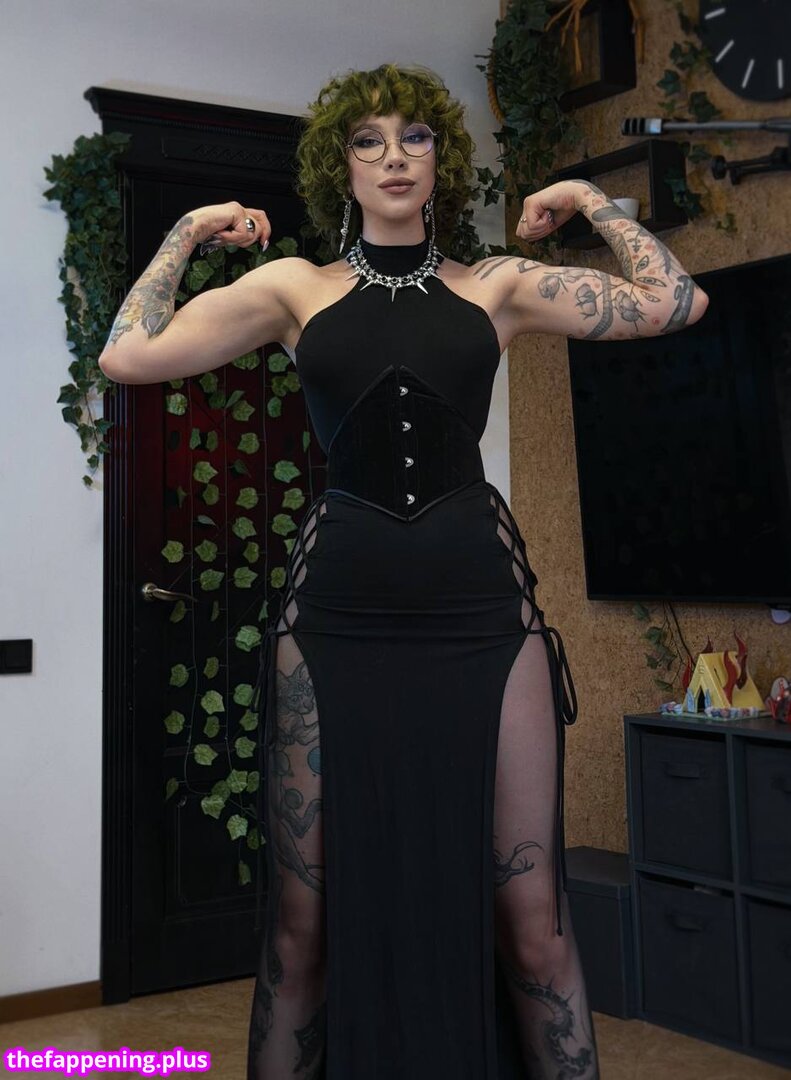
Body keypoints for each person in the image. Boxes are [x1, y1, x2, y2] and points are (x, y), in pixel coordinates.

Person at [99, 62, 708, 1080]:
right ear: (338, 164)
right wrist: (189, 233)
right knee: (302, 929)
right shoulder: (293, 290)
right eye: (367, 140)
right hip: (335, 619)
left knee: (534, 925)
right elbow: (128, 354)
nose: (392, 157)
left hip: (482, 616)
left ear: (440, 161)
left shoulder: (494, 286)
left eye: (414, 138)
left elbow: (674, 301)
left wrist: (590, 199)